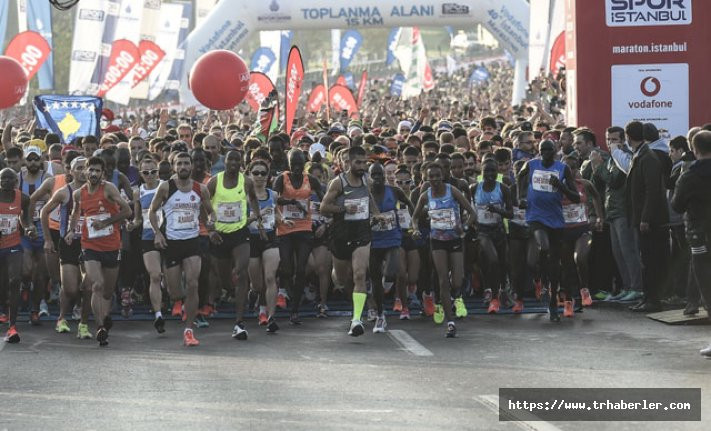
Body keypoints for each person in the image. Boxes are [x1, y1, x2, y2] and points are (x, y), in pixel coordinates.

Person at [149, 152, 218, 347]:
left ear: (191, 166)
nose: (184, 166)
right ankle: (176, 299)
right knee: (175, 291)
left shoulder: (200, 189)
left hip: (192, 242)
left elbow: (210, 212)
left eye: (186, 163)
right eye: (179, 163)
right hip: (172, 242)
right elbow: (153, 210)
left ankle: (189, 329)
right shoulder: (166, 187)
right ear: (174, 167)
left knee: (193, 284)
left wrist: (211, 224)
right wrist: (157, 233)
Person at [65, 157, 132, 347]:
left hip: (111, 246)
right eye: (91, 170)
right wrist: (71, 230)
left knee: (108, 292)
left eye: (97, 171)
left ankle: (104, 316)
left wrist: (105, 223)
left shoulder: (108, 188)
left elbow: (126, 211)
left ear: (102, 173)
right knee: (97, 285)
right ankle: (100, 326)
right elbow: (76, 213)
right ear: (85, 171)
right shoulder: (79, 193)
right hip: (90, 245)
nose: (93, 174)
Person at [320, 146, 384, 337]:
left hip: (362, 232)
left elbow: (369, 197)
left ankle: (356, 319)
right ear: (349, 162)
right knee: (342, 278)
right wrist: (344, 210)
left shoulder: (367, 180)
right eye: (358, 162)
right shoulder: (338, 183)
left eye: (365, 162)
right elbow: (324, 207)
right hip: (341, 233)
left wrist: (376, 213)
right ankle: (336, 275)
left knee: (359, 274)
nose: (362, 166)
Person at [411, 162, 477, 338]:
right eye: (430, 176)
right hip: (437, 241)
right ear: (426, 177)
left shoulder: (452, 191)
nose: (434, 179)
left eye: (437, 176)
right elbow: (415, 218)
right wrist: (416, 229)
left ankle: (455, 297)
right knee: (443, 282)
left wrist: (464, 228)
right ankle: (450, 322)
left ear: (442, 176)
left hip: (454, 240)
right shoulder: (425, 196)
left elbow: (472, 213)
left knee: (457, 281)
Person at [517, 140, 580, 322]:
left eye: (549, 150)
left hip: (556, 220)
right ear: (539, 151)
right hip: (535, 216)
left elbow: (576, 197)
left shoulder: (563, 168)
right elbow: (520, 176)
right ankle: (541, 280)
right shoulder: (531, 165)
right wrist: (520, 197)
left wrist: (560, 186)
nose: (545, 153)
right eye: (542, 150)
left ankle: (552, 303)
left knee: (555, 266)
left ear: (555, 152)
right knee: (543, 246)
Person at [207, 150, 263, 340]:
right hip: (220, 236)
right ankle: (229, 290)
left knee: (241, 273)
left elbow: (254, 199)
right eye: (230, 159)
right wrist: (210, 230)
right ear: (225, 161)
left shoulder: (246, 181)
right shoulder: (214, 181)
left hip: (240, 233)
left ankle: (239, 323)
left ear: (241, 162)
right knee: (224, 279)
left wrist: (256, 215)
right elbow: (203, 205)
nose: (233, 162)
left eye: (237, 159)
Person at [41, 156, 92, 339]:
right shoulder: (64, 192)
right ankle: (62, 318)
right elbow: (44, 212)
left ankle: (84, 324)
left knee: (88, 287)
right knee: (70, 288)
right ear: (70, 171)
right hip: (69, 243)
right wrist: (48, 239)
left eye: (84, 167)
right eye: (77, 167)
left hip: (91, 245)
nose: (81, 171)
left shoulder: (96, 191)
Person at [671, 130, 711, 358]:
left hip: (700, 236)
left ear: (694, 150)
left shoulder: (689, 175)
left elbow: (676, 206)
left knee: (707, 286)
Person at [272, 149, 323, 325]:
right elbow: (274, 199)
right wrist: (292, 202)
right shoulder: (282, 178)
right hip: (285, 228)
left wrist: (324, 216)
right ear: (288, 163)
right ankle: (284, 290)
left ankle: (294, 309)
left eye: (300, 164)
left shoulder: (311, 180)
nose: (296, 167)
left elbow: (324, 200)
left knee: (301, 269)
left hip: (304, 228)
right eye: (293, 164)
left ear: (304, 164)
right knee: (287, 268)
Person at [624, 121, 669, 312]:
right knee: (647, 259)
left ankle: (653, 299)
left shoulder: (647, 157)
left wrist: (645, 218)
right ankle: (648, 297)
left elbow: (652, 191)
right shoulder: (641, 154)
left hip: (650, 220)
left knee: (651, 260)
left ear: (628, 136)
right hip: (643, 217)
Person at [368, 163, 412, 332]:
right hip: (373, 240)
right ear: (370, 177)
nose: (378, 178)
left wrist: (410, 222)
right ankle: (380, 315)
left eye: (380, 175)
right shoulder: (365, 194)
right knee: (375, 278)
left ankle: (385, 286)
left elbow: (409, 203)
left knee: (391, 272)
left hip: (392, 237)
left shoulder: (393, 191)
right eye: (374, 175)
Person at [560, 154, 604, 316]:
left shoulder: (584, 184)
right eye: (566, 168)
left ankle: (584, 288)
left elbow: (597, 197)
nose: (569, 171)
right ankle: (569, 302)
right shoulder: (557, 187)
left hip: (582, 229)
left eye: (572, 167)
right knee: (567, 267)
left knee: (580, 258)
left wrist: (599, 217)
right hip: (564, 231)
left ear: (577, 169)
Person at [128, 156, 165, 333]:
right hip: (148, 236)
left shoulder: (165, 186)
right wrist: (131, 224)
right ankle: (158, 315)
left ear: (158, 171)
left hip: (169, 235)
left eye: (153, 171)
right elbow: (137, 219)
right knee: (155, 275)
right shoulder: (138, 192)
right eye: (146, 172)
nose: (150, 175)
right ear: (140, 173)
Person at [472, 159, 513, 314]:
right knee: (493, 259)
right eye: (486, 171)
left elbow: (510, 213)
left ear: (497, 173)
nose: (489, 174)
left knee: (502, 264)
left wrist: (498, 211)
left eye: (492, 171)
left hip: (499, 231)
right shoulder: (474, 188)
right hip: (482, 231)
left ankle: (501, 292)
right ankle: (494, 298)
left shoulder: (503, 188)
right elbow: (469, 209)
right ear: (481, 172)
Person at [245, 160, 280, 332]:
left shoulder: (272, 195)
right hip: (251, 240)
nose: (259, 176)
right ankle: (254, 293)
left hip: (269, 238)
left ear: (268, 176)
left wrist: (283, 221)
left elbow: (277, 214)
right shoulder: (244, 197)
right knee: (258, 284)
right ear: (250, 175)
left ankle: (271, 316)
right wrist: (255, 216)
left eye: (263, 173)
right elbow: (239, 223)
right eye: (256, 173)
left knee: (270, 277)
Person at [1, 169, 34, 343]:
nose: (6, 181)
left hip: (13, 245)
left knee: (15, 280)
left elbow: (25, 218)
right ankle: (3, 310)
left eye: (10, 178)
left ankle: (12, 327)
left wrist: (29, 227)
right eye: (3, 178)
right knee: (2, 284)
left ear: (16, 181)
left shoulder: (23, 198)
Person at [19, 145, 50, 324]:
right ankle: (24, 284)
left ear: (41, 160)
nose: (32, 162)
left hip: (43, 230)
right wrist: (26, 225)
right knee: (26, 269)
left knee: (41, 275)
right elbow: (15, 205)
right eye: (29, 159)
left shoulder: (47, 179)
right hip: (23, 229)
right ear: (25, 160)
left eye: (35, 159)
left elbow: (54, 200)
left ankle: (35, 309)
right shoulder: (18, 179)